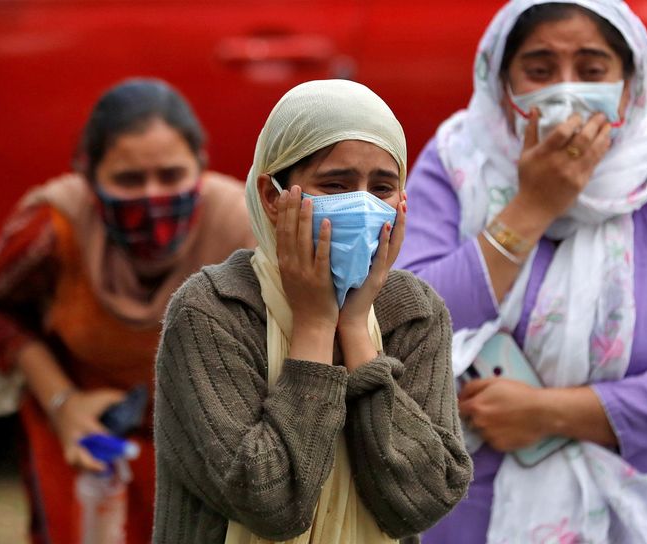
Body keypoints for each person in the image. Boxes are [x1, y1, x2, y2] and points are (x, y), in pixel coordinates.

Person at [395, 1, 647, 543]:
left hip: (631, 514)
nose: (565, 89)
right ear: (501, 85)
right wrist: (531, 207)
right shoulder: (457, 167)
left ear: (630, 85)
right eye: (538, 69)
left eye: (592, 68)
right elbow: (407, 320)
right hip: (466, 512)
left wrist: (548, 414)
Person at [153, 79, 473, 544]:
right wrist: (316, 325)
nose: (363, 205)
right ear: (271, 195)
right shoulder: (212, 311)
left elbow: (421, 499)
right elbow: (273, 505)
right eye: (335, 185)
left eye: (382, 187)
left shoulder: (413, 312)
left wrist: (356, 330)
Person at [0, 78, 256, 544]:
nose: (151, 196)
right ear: (89, 177)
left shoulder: (244, 232)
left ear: (200, 167)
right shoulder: (54, 227)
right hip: (80, 430)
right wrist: (63, 403)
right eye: (128, 180)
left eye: (170, 176)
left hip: (201, 435)